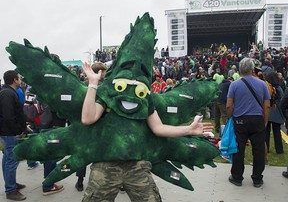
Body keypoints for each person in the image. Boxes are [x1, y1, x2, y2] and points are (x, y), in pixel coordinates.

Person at [81, 62, 214, 202]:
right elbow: (87, 118)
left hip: (136, 167)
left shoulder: (144, 98)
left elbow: (159, 128)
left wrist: (189, 129)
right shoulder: (108, 94)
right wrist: (93, 83)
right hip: (105, 165)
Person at [226, 58, 270, 188]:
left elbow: (229, 105)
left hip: (240, 120)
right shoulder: (262, 84)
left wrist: (230, 118)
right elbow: (266, 105)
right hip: (257, 119)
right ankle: (257, 178)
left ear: (240, 70)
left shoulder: (234, 85)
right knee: (258, 149)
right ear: (252, 69)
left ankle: (237, 177)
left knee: (239, 149)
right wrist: (265, 120)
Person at [75, 61, 108, 192]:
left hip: (85, 125)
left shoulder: (83, 85)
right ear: (100, 72)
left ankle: (80, 181)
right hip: (101, 125)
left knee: (83, 154)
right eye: (104, 71)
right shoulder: (106, 87)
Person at [0, 70, 27, 201]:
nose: (21, 80)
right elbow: (8, 116)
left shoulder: (9, 92)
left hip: (8, 131)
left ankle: (11, 183)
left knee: (7, 159)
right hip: (9, 132)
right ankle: (10, 190)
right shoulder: (7, 94)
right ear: (15, 80)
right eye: (19, 78)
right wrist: (18, 130)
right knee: (11, 160)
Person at [265, 72, 285, 154]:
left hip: (268, 110)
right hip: (276, 110)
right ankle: (279, 149)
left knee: (266, 132)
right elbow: (282, 98)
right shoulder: (278, 88)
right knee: (277, 132)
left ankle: (266, 148)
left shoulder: (266, 87)